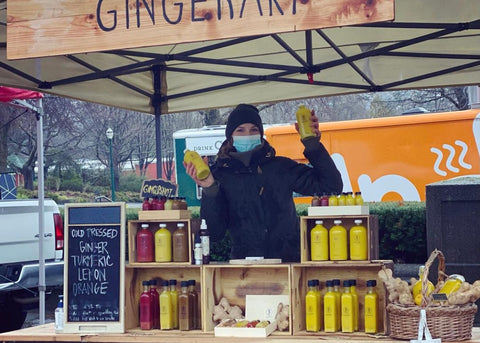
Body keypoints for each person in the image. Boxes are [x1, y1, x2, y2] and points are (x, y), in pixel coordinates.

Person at [184, 104, 343, 262]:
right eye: (240, 130)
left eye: (254, 129)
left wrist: (312, 144)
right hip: (244, 268)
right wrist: (210, 188)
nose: (248, 134)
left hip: (289, 262)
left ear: (261, 134)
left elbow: (331, 186)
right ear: (230, 136)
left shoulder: (280, 167)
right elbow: (214, 232)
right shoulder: (219, 175)